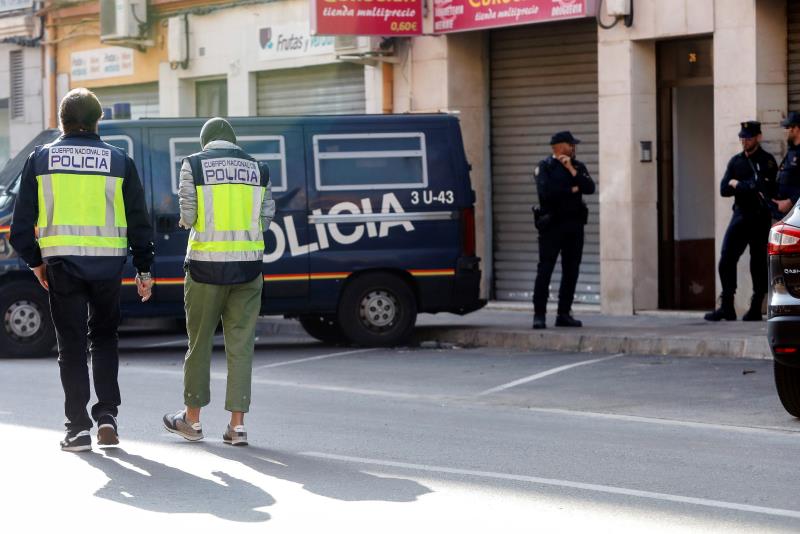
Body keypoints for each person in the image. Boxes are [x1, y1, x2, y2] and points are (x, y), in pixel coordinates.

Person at [9, 88, 154, 452]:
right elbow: (139, 221)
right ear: (97, 121)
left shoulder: (41, 159)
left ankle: (77, 430)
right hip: (107, 267)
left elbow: (20, 227)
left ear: (62, 121)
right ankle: (107, 415)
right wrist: (144, 268)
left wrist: (36, 262)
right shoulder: (120, 161)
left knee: (71, 347)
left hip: (61, 267)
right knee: (104, 339)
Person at [163, 117, 275, 446]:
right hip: (248, 268)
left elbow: (188, 214)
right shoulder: (258, 168)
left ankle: (192, 420)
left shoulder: (194, 165)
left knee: (199, 344)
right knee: (241, 347)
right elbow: (266, 217)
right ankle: (237, 426)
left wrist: (192, 223)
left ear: (206, 141)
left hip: (205, 268)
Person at [705, 121, 777, 322]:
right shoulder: (736, 161)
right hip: (741, 216)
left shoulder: (767, 161)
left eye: (748, 138)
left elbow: (763, 187)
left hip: (760, 217)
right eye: (742, 138)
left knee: (758, 263)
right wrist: (742, 186)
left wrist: (738, 184)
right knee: (726, 258)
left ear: (758, 138)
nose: (744, 141)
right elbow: (723, 189)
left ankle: (755, 306)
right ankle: (727, 305)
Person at [532, 131, 595, 330]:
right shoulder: (545, 167)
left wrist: (570, 169)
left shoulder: (577, 166)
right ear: (558, 147)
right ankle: (539, 315)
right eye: (570, 144)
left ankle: (564, 313)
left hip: (574, 226)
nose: (573, 148)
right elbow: (547, 193)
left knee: (571, 271)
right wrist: (572, 190)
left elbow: (589, 187)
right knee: (545, 270)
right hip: (552, 226)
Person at [772, 111, 800, 220]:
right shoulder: (791, 150)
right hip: (787, 214)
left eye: (787, 128)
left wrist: (790, 201)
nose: (784, 131)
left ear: (796, 129)